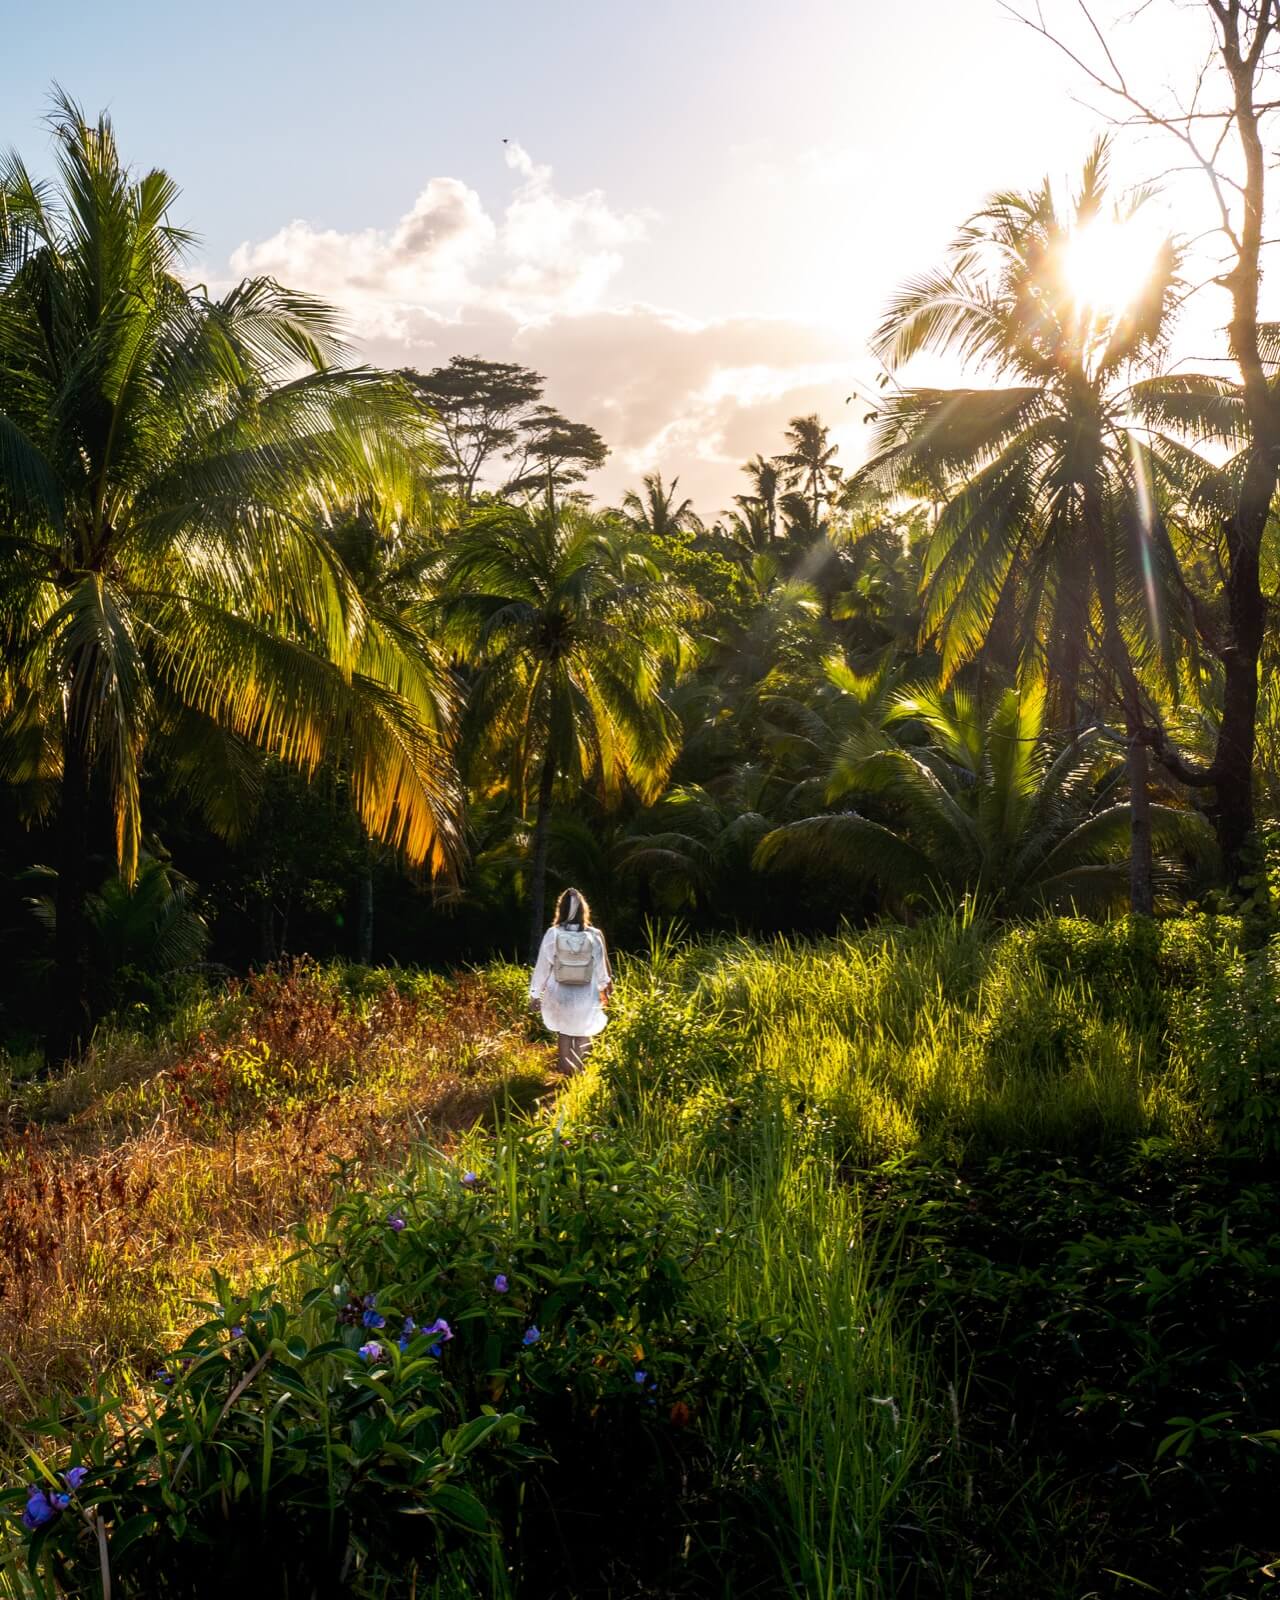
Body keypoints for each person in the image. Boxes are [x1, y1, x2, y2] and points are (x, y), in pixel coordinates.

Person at [529, 888, 613, 1074]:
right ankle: (577, 1075)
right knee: (584, 1033)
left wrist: (535, 994)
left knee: (565, 1033)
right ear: (584, 910)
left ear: (561, 909)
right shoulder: (592, 935)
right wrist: (603, 990)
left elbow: (542, 967)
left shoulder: (553, 934)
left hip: (560, 994)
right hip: (586, 994)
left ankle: (565, 1073)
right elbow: (601, 969)